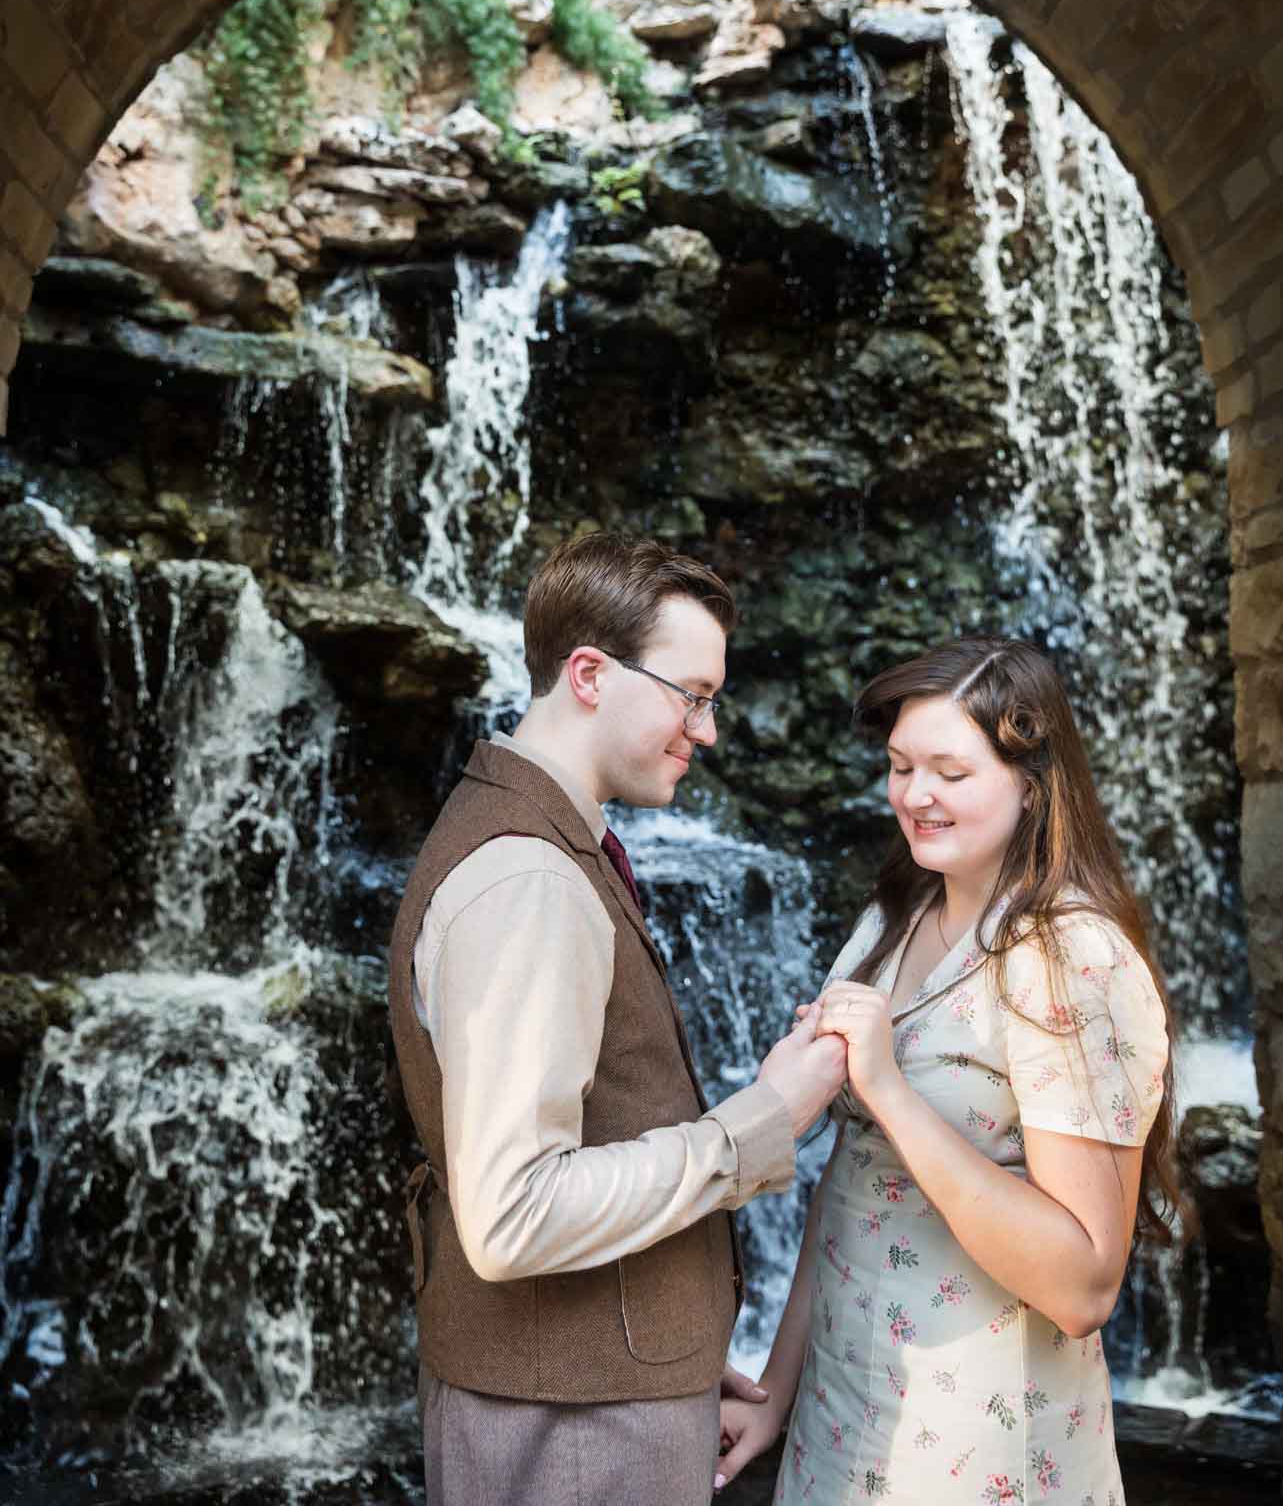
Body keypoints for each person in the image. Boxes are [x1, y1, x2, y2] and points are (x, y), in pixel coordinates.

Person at [387, 530, 848, 1506]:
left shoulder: (546, 839)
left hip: (593, 1398)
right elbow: (514, 1215)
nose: (707, 729)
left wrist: (670, 1350)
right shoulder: (530, 879)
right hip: (570, 1428)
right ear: (589, 673)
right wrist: (763, 1115)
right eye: (691, 694)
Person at [716, 636, 1176, 1505]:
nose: (915, 796)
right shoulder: (893, 915)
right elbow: (852, 1183)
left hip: (981, 1438)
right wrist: (775, 1391)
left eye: (949, 773)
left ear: (1031, 782)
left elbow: (1083, 1286)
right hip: (842, 1412)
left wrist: (887, 1090)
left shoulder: (1068, 957)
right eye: (898, 767)